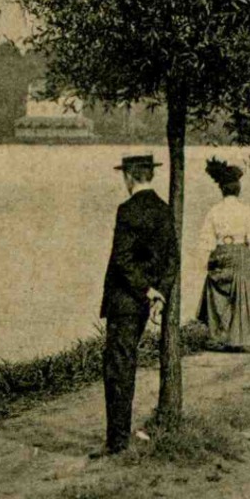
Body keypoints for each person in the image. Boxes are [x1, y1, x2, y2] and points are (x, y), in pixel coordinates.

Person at [97, 153, 176, 457]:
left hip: (124, 301)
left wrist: (145, 290)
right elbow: (172, 260)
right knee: (125, 364)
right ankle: (119, 438)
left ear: (129, 176)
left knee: (118, 368)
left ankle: (117, 441)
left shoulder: (127, 211)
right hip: (146, 302)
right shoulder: (164, 210)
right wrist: (159, 294)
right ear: (150, 175)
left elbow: (122, 259)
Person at [196, 157, 250, 352]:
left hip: (221, 253)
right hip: (241, 253)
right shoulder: (246, 210)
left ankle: (220, 335)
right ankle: (238, 337)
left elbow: (206, 239)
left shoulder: (214, 211)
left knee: (217, 294)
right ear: (238, 189)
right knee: (241, 293)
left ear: (222, 189)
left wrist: (205, 260)